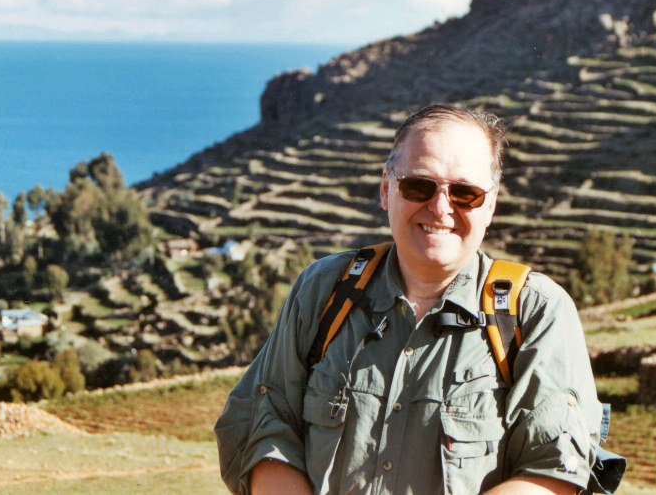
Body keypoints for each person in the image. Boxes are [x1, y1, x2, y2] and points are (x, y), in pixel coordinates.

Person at [215, 104, 604, 495]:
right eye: (419, 186)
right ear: (386, 189)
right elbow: (264, 428)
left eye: (465, 193)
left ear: (491, 205)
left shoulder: (536, 312)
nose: (439, 207)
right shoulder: (323, 290)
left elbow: (553, 470)